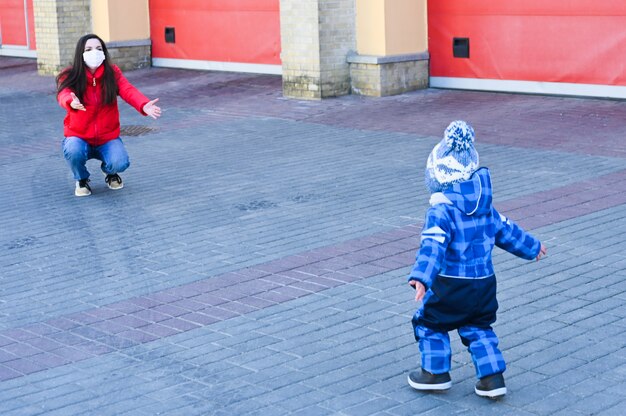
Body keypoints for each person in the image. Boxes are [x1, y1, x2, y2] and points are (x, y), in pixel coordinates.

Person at [406, 120, 547, 398]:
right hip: (483, 285)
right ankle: (492, 379)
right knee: (478, 326)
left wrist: (422, 277)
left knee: (430, 323)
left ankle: (435, 374)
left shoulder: (441, 212)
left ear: (438, 177)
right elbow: (508, 231)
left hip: (450, 286)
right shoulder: (486, 209)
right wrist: (533, 247)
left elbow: (432, 245)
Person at [56, 34, 161, 196]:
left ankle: (110, 172)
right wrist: (70, 101)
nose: (94, 52)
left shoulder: (112, 73)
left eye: (99, 48)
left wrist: (143, 104)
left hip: (107, 137)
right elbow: (63, 93)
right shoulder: (70, 74)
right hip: (79, 136)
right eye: (89, 49)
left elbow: (127, 90)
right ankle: (82, 179)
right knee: (73, 150)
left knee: (120, 162)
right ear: (80, 53)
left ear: (104, 52)